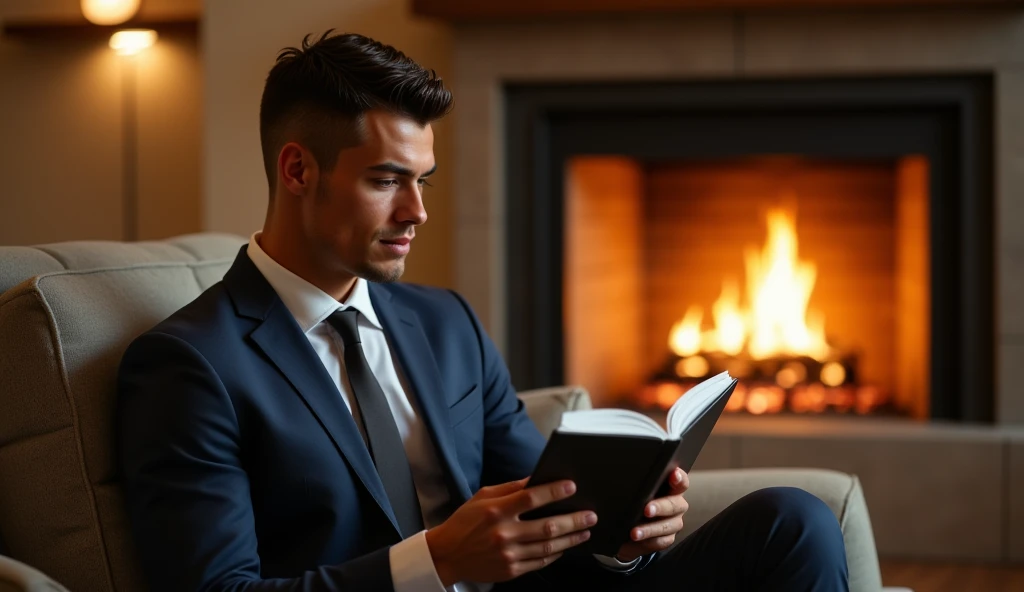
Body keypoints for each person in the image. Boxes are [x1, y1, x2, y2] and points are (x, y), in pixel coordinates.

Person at [117, 31, 849, 592]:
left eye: (424, 181)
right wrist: (429, 562)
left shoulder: (445, 324)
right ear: (299, 170)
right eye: (386, 180)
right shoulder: (190, 364)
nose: (418, 213)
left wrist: (622, 530)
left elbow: (547, 503)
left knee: (793, 520)